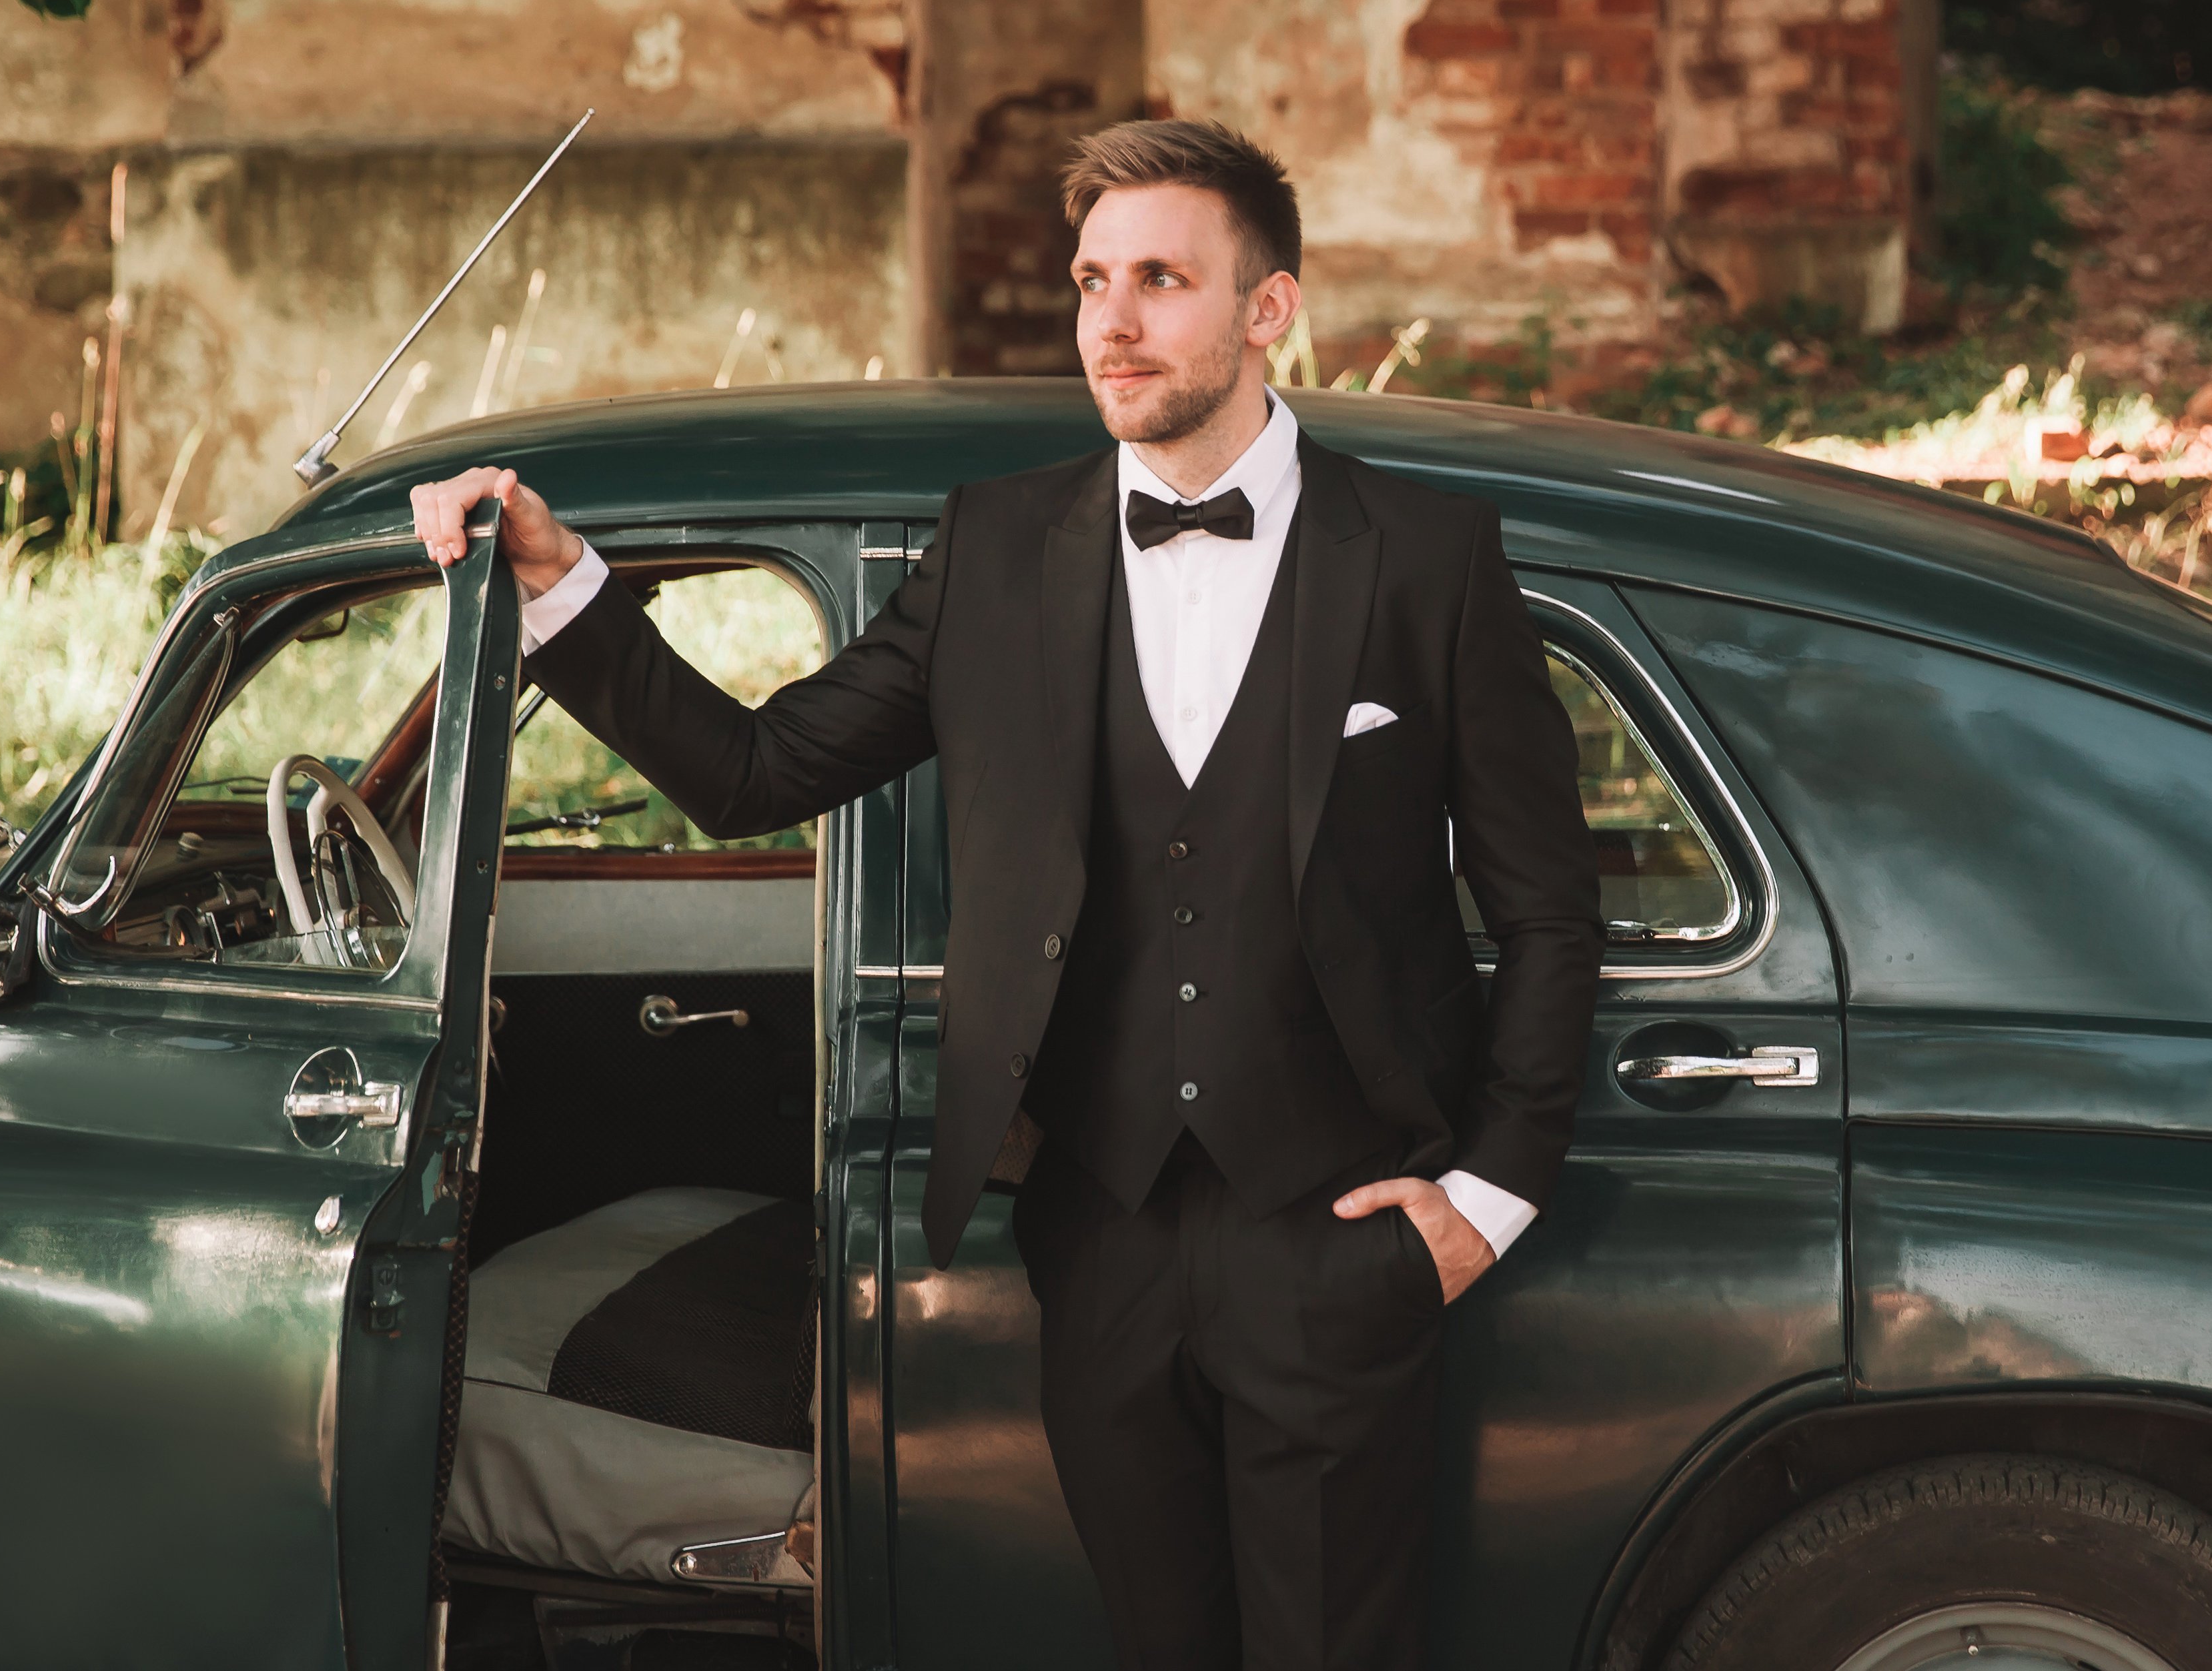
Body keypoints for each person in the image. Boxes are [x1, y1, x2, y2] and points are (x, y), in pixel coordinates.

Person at [416, 118, 1602, 1671]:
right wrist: (558, 583)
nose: (1111, 320)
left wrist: (1483, 1201)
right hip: (1100, 1235)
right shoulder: (994, 548)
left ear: (1268, 309)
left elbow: (1546, 906)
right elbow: (757, 770)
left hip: (1338, 1234)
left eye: (1161, 279)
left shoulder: (1425, 556)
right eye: (1092, 281)